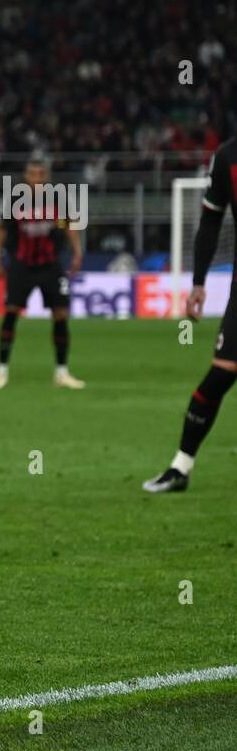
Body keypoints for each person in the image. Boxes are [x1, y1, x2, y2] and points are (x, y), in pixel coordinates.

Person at [143, 138, 237, 492]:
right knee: (222, 372)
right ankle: (180, 468)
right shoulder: (227, 157)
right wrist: (198, 282)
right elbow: (211, 221)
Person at [0, 157, 85, 390]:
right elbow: (0, 229)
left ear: (46, 177)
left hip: (51, 265)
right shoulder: (14, 200)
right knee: (11, 313)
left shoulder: (57, 200)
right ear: (26, 177)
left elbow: (69, 225)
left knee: (60, 314)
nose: (37, 179)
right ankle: (1, 372)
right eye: (33, 174)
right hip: (22, 265)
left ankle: (62, 372)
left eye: (41, 174)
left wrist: (77, 252)